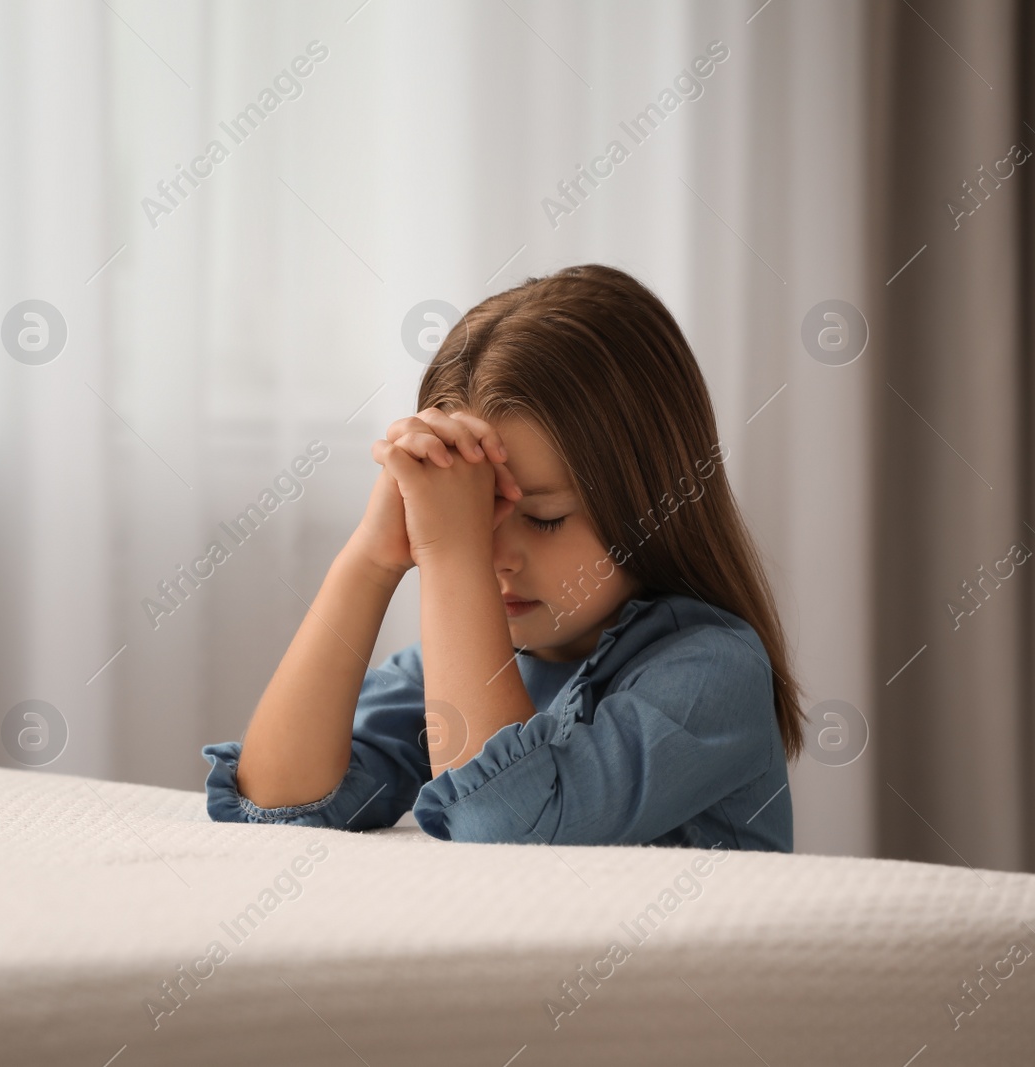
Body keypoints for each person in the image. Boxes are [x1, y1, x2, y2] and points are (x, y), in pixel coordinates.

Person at [202, 264, 805, 850]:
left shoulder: (715, 672)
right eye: (472, 516)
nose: (494, 558)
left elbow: (509, 831)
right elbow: (277, 805)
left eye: (544, 518)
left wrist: (451, 551)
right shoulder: (460, 667)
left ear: (652, 502)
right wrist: (371, 558)